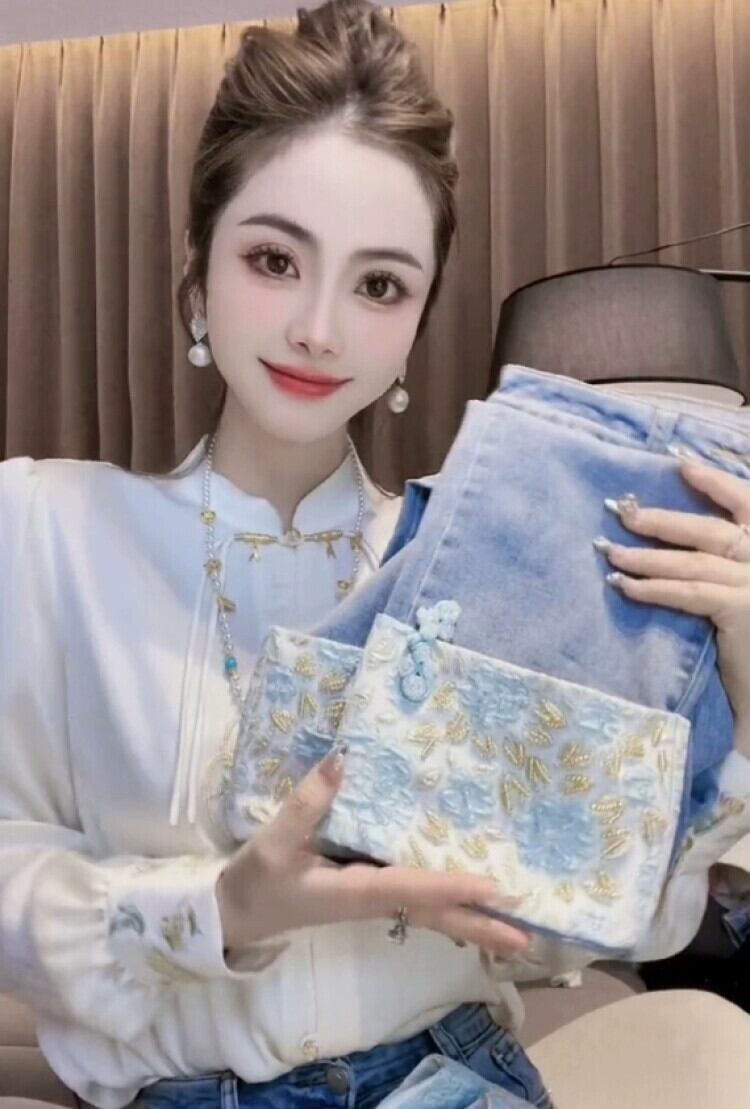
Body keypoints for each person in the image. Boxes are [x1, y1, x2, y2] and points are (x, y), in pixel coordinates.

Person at [2, 1, 750, 1107]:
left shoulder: (489, 565)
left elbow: (622, 921)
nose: (320, 326)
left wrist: (739, 691)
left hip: (458, 1079)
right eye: (274, 258)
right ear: (197, 274)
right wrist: (222, 908)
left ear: (416, 322)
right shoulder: (49, 530)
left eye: (379, 284)